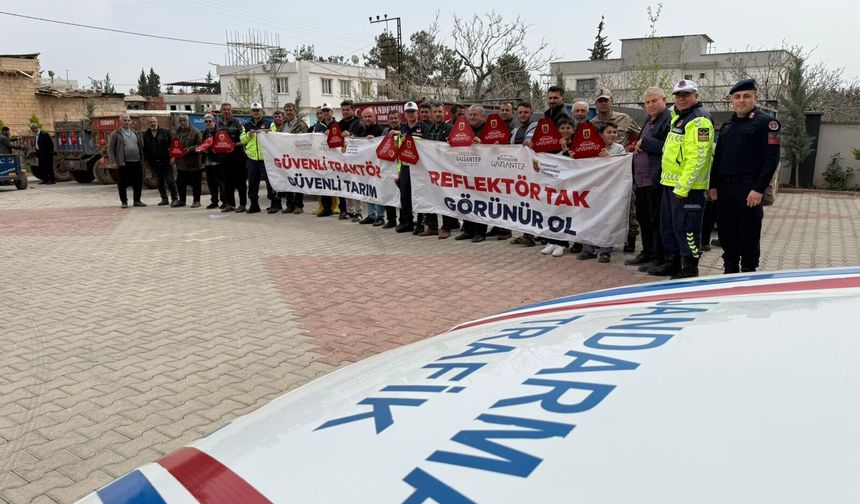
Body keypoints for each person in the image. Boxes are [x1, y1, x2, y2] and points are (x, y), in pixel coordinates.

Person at [711, 78, 781, 274]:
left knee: (748, 233)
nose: (741, 100)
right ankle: (730, 269)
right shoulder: (727, 125)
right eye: (737, 97)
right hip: (725, 189)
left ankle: (749, 271)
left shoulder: (768, 123)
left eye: (746, 96)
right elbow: (718, 159)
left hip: (748, 189)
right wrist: (713, 185)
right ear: (731, 100)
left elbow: (771, 160)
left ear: (755, 98)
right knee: (726, 231)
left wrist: (758, 189)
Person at [650, 80, 715, 278]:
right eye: (678, 95)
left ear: (696, 96)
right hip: (670, 184)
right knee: (668, 227)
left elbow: (697, 157)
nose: (682, 98)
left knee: (687, 229)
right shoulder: (678, 117)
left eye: (686, 94)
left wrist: (683, 187)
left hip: (688, 188)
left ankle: (689, 267)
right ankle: (673, 262)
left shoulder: (699, 120)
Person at [590, 89, 642, 254]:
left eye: (606, 100)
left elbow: (641, 135)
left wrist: (633, 153)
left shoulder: (624, 119)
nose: (603, 103)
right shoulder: (591, 124)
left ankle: (631, 238)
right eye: (600, 101)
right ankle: (602, 238)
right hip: (601, 175)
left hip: (622, 172)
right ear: (596, 104)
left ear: (611, 101)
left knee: (629, 204)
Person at [627, 87, 671, 273]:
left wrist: (645, 143)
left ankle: (658, 257)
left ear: (664, 100)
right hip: (642, 180)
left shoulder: (668, 120)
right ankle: (647, 251)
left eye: (654, 101)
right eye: (647, 102)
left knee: (656, 220)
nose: (651, 105)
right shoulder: (649, 119)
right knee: (644, 218)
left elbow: (669, 146)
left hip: (656, 179)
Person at [575, 122, 626, 263]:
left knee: (607, 221)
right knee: (589, 218)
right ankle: (588, 249)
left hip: (610, 191)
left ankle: (605, 251)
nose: (613, 135)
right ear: (600, 135)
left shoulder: (619, 148)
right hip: (592, 190)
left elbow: (622, 167)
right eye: (609, 132)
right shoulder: (590, 146)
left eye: (615, 132)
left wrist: (608, 157)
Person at [419, 102, 457, 238]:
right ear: (431, 113)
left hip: (444, 169)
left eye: (439, 112)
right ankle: (432, 227)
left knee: (444, 197)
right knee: (430, 197)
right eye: (434, 112)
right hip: (430, 170)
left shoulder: (450, 128)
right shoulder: (428, 129)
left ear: (444, 112)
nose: (437, 114)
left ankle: (446, 228)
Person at [392, 101, 428, 234]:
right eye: (408, 112)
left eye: (413, 112)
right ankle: (407, 222)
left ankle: (420, 224)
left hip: (420, 168)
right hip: (405, 168)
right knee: (405, 195)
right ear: (404, 115)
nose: (410, 114)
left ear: (417, 113)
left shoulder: (424, 128)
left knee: (420, 196)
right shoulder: (402, 129)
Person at [455, 105, 489, 243]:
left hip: (482, 173)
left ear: (482, 116)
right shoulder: (464, 128)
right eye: (470, 115)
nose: (472, 117)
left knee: (480, 202)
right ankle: (468, 229)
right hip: (466, 171)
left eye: (475, 115)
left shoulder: (488, 130)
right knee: (466, 199)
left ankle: (480, 232)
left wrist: (482, 144)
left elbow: (497, 147)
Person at [510, 102, 540, 247]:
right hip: (518, 173)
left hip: (533, 173)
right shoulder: (515, 131)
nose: (523, 115)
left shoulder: (535, 126)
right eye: (520, 112)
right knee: (523, 205)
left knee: (533, 204)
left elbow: (532, 141)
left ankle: (532, 235)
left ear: (531, 113)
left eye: (526, 112)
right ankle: (526, 234)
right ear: (517, 113)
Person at [240, 102, 277, 214]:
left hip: (266, 158)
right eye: (254, 110)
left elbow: (275, 136)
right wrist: (248, 135)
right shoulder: (246, 126)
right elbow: (242, 140)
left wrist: (267, 132)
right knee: (252, 183)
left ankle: (274, 204)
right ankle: (254, 205)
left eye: (258, 110)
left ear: (262, 111)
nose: (256, 112)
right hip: (252, 159)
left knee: (270, 182)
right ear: (251, 112)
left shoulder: (269, 124)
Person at [107, 113, 146, 208]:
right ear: (120, 121)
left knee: (137, 182)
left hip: (136, 162)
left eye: (128, 120)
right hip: (123, 163)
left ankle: (137, 201)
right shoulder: (116, 134)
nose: (127, 122)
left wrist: (142, 159)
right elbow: (110, 149)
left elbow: (140, 146)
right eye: (124, 120)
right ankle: (124, 202)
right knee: (122, 183)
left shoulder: (135, 133)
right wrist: (114, 161)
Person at [356, 107, 387, 226]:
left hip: (378, 167)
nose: (367, 119)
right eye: (365, 117)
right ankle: (371, 214)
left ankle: (380, 216)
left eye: (369, 116)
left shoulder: (380, 130)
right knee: (368, 190)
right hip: (366, 168)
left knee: (378, 191)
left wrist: (374, 141)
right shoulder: (362, 130)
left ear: (375, 117)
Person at [279, 103, 309, 214]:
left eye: (290, 110)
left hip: (297, 158)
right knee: (288, 182)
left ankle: (299, 205)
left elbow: (304, 140)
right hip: (286, 158)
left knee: (298, 181)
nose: (288, 112)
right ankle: (289, 205)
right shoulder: (283, 125)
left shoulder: (301, 124)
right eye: (286, 110)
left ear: (295, 111)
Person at [338, 100, 364, 221]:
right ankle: (350, 211)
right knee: (345, 186)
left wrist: (352, 135)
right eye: (343, 110)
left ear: (352, 110)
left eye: (348, 109)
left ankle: (358, 212)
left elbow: (362, 139)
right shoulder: (339, 123)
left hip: (355, 161)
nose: (345, 112)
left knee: (355, 186)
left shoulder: (359, 123)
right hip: (342, 160)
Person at [143, 116, 178, 206]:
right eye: (150, 122)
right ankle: (164, 199)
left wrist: (173, 157)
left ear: (157, 122)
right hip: (154, 163)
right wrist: (147, 161)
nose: (152, 124)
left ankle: (174, 198)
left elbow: (173, 146)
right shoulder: (146, 134)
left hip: (166, 161)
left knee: (170, 181)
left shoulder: (165, 132)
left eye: (154, 122)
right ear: (148, 123)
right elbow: (145, 149)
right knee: (159, 182)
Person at [218, 102, 246, 213]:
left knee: (240, 182)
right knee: (227, 182)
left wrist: (234, 145)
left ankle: (243, 204)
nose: (226, 111)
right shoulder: (219, 123)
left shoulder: (238, 122)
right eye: (224, 109)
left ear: (231, 111)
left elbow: (244, 139)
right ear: (221, 111)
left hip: (237, 156)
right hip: (224, 157)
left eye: (228, 109)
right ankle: (230, 204)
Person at [313, 102, 337, 217]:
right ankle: (326, 208)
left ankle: (341, 209)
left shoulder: (338, 124)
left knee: (337, 184)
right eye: (324, 111)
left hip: (335, 160)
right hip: (321, 159)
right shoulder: (317, 126)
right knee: (324, 184)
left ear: (332, 112)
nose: (326, 113)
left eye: (328, 110)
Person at [173, 114, 203, 208]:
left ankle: (196, 201)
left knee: (196, 184)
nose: (182, 122)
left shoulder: (196, 132)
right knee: (180, 183)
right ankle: (182, 200)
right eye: (180, 121)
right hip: (181, 163)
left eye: (184, 120)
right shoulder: (177, 132)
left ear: (188, 121)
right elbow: (174, 145)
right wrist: (173, 154)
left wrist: (189, 149)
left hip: (193, 163)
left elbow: (201, 146)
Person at [380, 110, 402, 229]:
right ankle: (391, 219)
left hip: (401, 168)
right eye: (391, 118)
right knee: (388, 193)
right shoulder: (385, 132)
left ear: (400, 119)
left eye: (395, 118)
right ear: (388, 120)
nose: (393, 120)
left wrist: (398, 134)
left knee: (402, 196)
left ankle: (404, 221)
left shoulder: (403, 130)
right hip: (388, 168)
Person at [200, 113, 225, 209]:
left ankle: (224, 201)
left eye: (209, 121)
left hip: (217, 161)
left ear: (214, 121)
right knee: (211, 183)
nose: (208, 123)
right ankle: (214, 201)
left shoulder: (219, 131)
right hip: (207, 161)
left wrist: (210, 149)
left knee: (221, 183)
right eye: (206, 121)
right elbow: (203, 144)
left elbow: (221, 145)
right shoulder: (205, 132)